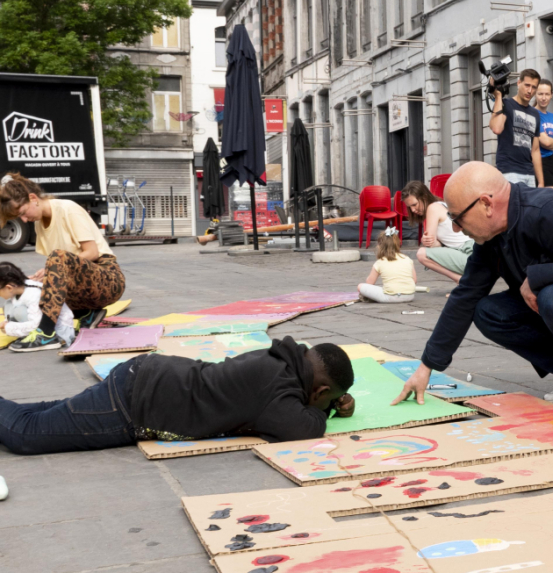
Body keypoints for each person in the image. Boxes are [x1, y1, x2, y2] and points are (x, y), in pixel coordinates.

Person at [391, 161, 553, 415]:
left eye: (458, 218)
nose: (456, 228)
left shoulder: (550, 211)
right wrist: (426, 367)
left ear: (486, 203)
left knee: (552, 297)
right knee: (488, 311)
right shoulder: (492, 238)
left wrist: (537, 276)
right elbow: (465, 297)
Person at [0, 337, 355, 455]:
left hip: (145, 378)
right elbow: (303, 429)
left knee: (48, 416)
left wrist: (329, 404)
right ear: (320, 390)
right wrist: (330, 413)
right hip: (134, 404)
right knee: (25, 435)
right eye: (326, 399)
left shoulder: (281, 360)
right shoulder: (277, 393)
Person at [0, 172, 125, 351]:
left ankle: (46, 333)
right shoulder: (39, 224)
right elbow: (61, 271)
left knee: (56, 259)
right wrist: (42, 276)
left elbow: (92, 252)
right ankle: (88, 314)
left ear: (33, 198)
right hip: (84, 285)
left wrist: (54, 268)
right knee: (38, 287)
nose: (25, 220)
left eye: (23, 213)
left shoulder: (67, 208)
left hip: (108, 278)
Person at [403, 180, 474, 283]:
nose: (413, 210)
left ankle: (462, 281)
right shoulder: (441, 204)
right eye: (410, 207)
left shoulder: (432, 208)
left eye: (414, 204)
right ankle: (464, 283)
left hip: (469, 253)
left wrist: (427, 241)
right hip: (471, 252)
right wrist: (430, 241)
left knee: (422, 254)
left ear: (424, 197)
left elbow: (431, 246)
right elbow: (436, 245)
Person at [489, 68, 544, 188]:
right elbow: (496, 128)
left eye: (534, 87)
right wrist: (498, 96)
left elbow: (535, 150)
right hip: (509, 170)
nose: (530, 90)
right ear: (519, 83)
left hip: (529, 173)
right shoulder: (505, 104)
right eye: (527, 85)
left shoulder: (535, 114)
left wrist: (540, 182)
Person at [0, 262, 76, 347]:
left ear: (9, 287)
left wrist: (8, 326)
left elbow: (37, 324)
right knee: (9, 305)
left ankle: (47, 340)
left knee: (18, 311)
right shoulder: (19, 288)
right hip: (37, 321)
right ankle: (25, 334)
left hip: (57, 331)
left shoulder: (33, 294)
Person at [358, 226, 416, 303]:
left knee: (360, 286)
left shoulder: (380, 262)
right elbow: (414, 280)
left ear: (380, 246)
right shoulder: (407, 259)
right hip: (410, 296)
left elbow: (370, 283)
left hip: (390, 297)